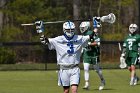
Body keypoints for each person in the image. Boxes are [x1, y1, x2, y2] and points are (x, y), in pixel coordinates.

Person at [35, 20, 96, 93]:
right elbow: (44, 40)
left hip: (75, 68)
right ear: (64, 30)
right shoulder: (58, 39)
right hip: (63, 69)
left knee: (74, 90)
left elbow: (92, 36)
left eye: (72, 30)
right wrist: (40, 30)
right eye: (68, 30)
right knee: (66, 91)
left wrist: (96, 25)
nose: (70, 32)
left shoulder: (79, 38)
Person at [79, 21, 105, 90]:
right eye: (81, 28)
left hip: (94, 54)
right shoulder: (82, 35)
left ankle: (102, 80)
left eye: (83, 28)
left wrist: (89, 44)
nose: (82, 29)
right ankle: (87, 84)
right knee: (86, 69)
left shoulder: (91, 33)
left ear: (87, 27)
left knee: (97, 70)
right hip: (86, 54)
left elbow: (97, 42)